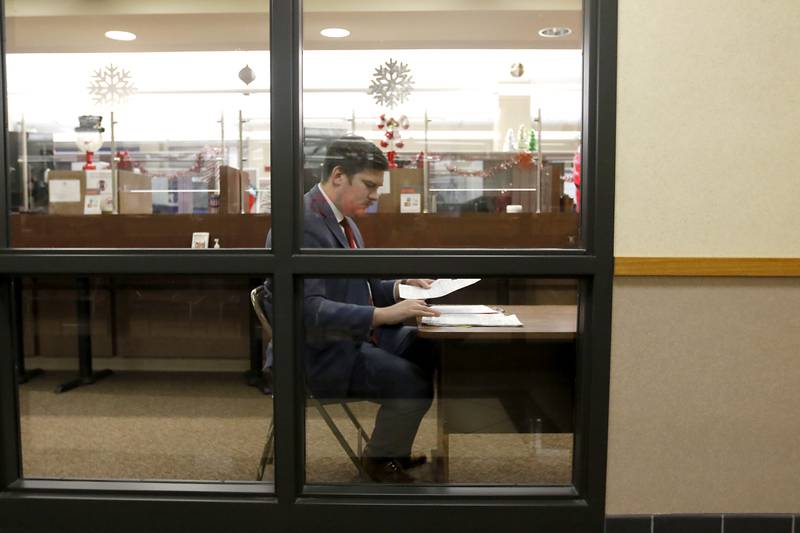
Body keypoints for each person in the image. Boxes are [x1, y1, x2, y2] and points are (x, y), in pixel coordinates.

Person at [264, 136, 440, 483]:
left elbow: (360, 286)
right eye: (370, 186)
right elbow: (307, 310)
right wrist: (385, 315)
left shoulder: (342, 219)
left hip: (349, 337)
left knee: (426, 346)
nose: (375, 196)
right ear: (338, 175)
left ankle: (390, 449)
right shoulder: (302, 224)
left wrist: (401, 286)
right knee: (413, 384)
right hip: (318, 353)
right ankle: (379, 460)